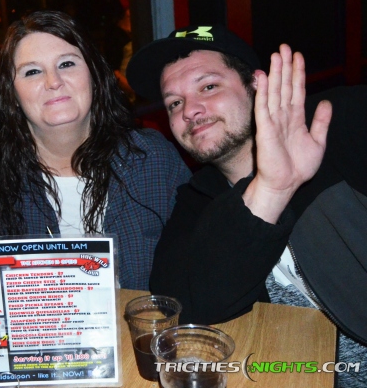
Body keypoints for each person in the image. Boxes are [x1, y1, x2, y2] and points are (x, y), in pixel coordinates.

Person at [127, 24, 367, 386]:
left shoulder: (339, 122)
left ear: (256, 85)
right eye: (174, 102)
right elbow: (185, 309)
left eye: (209, 87)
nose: (190, 110)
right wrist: (270, 190)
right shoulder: (198, 197)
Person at [0, 11, 191, 291]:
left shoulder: (151, 157)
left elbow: (196, 264)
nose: (53, 81)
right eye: (32, 71)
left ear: (94, 76)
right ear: (12, 94)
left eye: (66, 64)